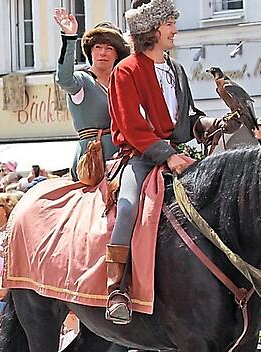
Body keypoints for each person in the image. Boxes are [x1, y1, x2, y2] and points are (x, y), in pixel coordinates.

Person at [106, 0, 221, 324]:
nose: (175, 29)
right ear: (153, 30)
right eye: (170, 23)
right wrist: (166, 155)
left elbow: (187, 118)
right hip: (141, 157)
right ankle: (118, 287)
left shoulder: (176, 69)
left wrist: (216, 124)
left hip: (181, 154)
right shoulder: (126, 71)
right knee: (127, 207)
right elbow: (131, 125)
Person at [53, 8, 130, 180]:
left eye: (109, 48)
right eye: (98, 47)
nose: (103, 52)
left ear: (117, 54)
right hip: (93, 163)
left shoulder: (124, 84)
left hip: (126, 158)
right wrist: (69, 37)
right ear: (91, 51)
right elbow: (64, 79)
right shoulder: (82, 80)